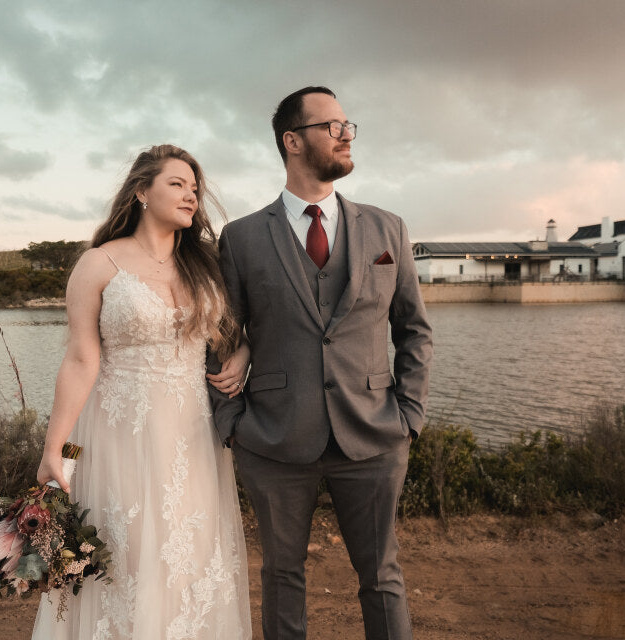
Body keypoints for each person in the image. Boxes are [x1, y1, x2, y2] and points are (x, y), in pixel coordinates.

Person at [207, 87, 433, 639]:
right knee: (281, 575)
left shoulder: (388, 229)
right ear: (292, 141)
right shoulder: (241, 238)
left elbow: (413, 330)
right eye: (332, 126)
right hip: (273, 438)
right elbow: (220, 335)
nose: (346, 134)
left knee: (381, 576)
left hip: (376, 434)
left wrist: (409, 416)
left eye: (348, 124)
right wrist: (231, 423)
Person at [33, 144, 252, 639]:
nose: (191, 195)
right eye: (177, 184)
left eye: (194, 187)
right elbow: (81, 360)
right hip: (117, 438)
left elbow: (235, 331)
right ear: (141, 192)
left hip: (193, 437)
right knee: (126, 556)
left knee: (191, 554)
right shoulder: (99, 263)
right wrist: (56, 449)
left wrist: (243, 352)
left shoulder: (205, 264)